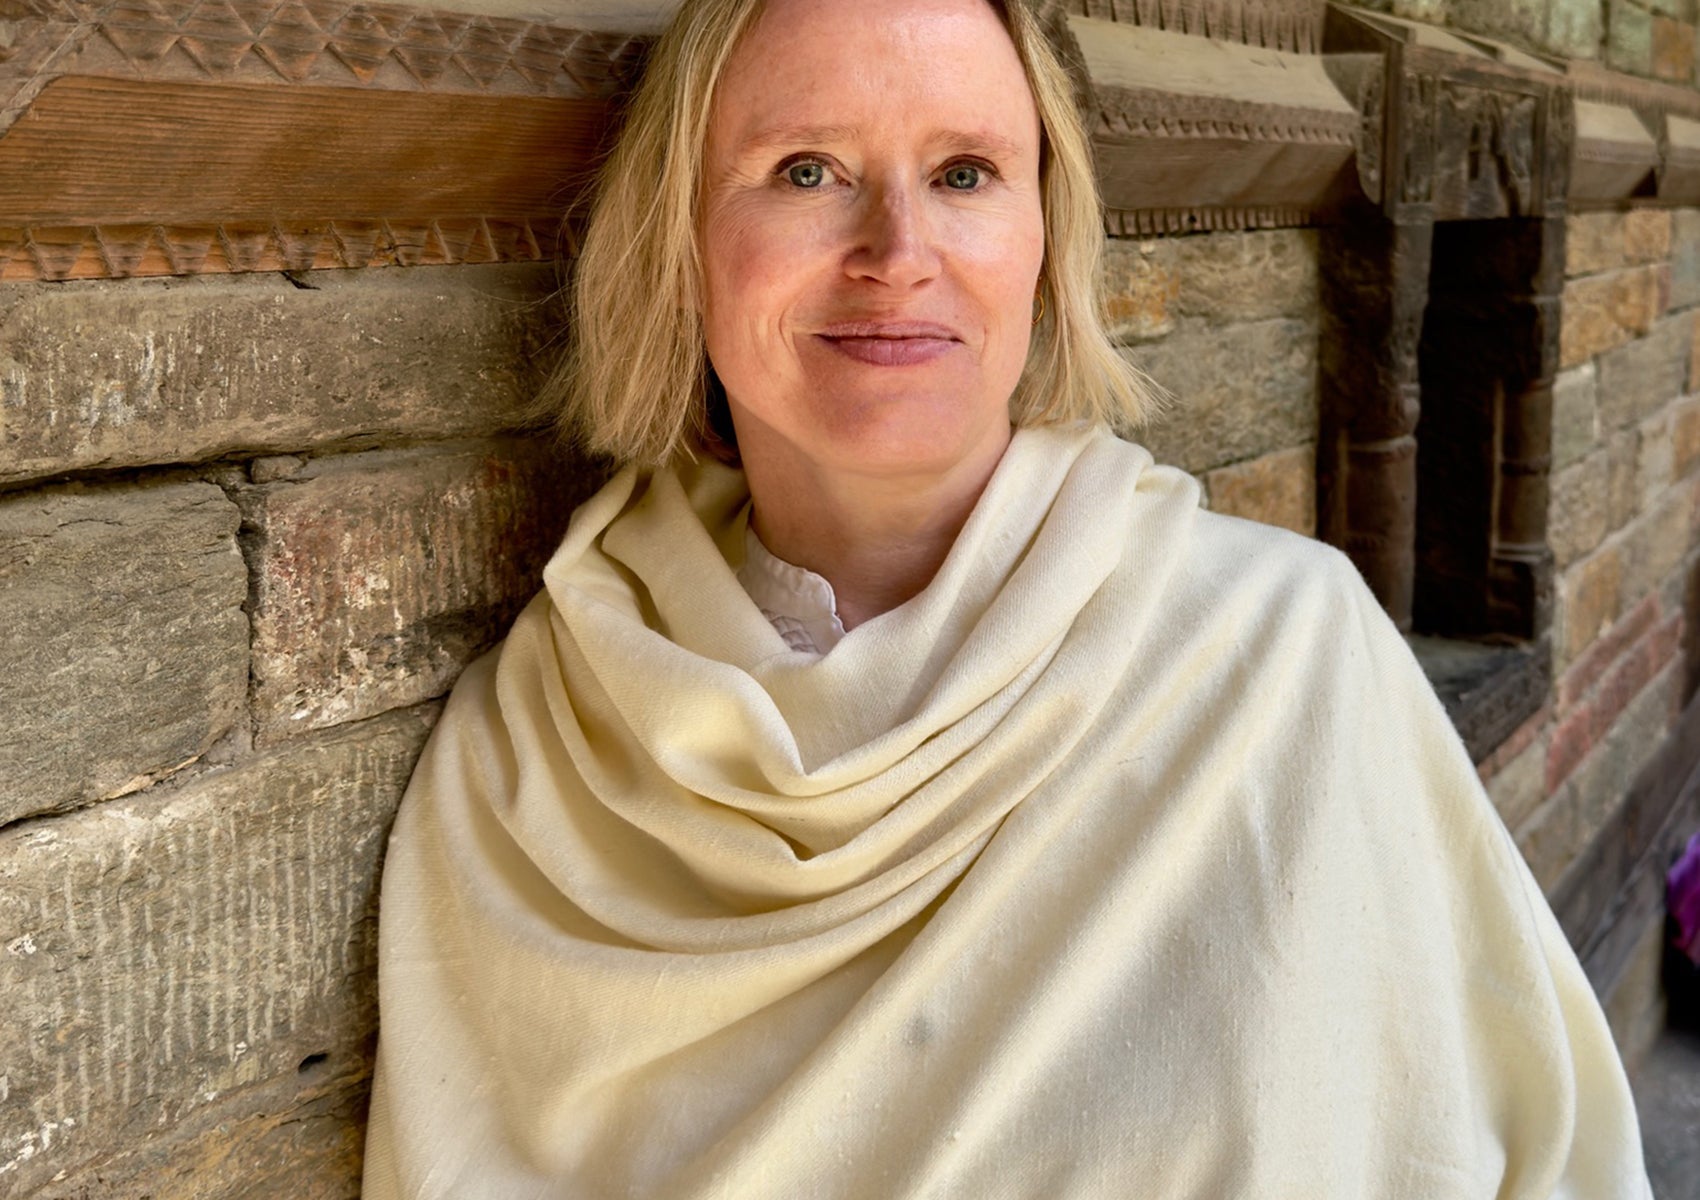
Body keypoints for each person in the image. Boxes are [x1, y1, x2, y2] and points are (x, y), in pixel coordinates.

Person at [361, 0, 1654, 1195]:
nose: (898, 251)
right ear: (681, 237)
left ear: (1043, 241)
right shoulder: (532, 759)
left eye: (966, 173)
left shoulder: (1279, 661)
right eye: (806, 170)